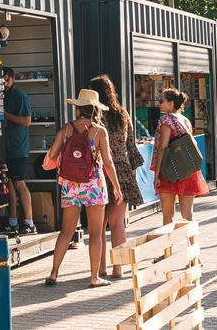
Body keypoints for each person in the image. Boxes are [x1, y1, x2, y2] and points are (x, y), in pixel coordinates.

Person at [44, 89, 123, 287]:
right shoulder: (99, 131)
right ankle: (94, 277)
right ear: (95, 109)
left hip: (70, 185)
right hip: (94, 185)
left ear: (78, 108)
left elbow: (52, 156)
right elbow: (108, 163)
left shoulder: (66, 129)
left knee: (66, 231)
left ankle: (54, 273)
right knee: (96, 233)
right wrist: (116, 186)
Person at [92, 74, 144, 280]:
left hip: (101, 172)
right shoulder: (123, 114)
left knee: (100, 226)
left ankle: (101, 269)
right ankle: (119, 268)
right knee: (117, 223)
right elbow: (131, 145)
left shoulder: (96, 116)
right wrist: (131, 173)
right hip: (123, 171)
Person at [152, 89, 210, 224]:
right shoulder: (185, 119)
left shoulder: (166, 120)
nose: (159, 104)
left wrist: (157, 173)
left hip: (169, 170)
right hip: (188, 170)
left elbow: (163, 147)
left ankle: (169, 246)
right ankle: (193, 244)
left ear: (171, 103)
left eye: (161, 101)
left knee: (168, 216)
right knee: (188, 215)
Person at [1, 67, 34, 234]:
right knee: (9, 184)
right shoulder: (1, 95)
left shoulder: (20, 96)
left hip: (18, 148)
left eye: (6, 80)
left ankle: (29, 222)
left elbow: (27, 121)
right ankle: (12, 221)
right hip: (4, 148)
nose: (4, 84)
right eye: (2, 81)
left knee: (20, 183)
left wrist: (6, 115)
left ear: (13, 79)